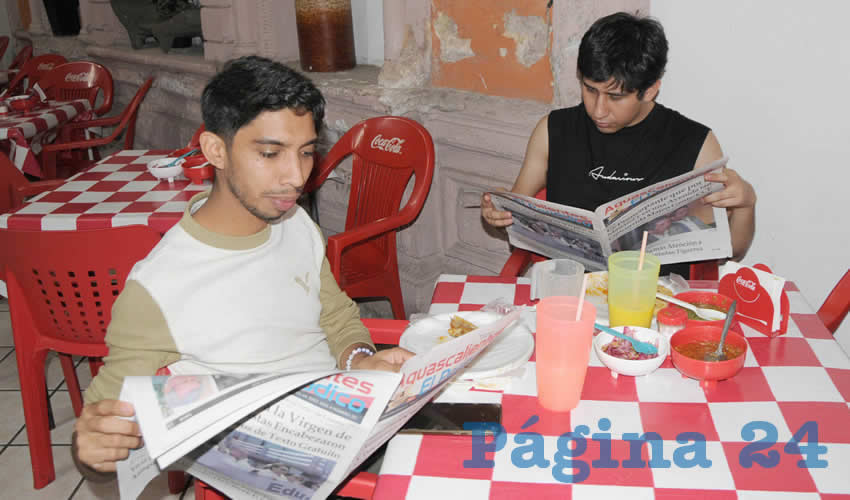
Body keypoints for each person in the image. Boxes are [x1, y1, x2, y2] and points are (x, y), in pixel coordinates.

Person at [72, 56, 413, 477]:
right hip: (284, 465)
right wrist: (91, 450)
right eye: (270, 153)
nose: (295, 177)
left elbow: (337, 316)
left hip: (347, 415)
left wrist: (360, 360)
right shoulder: (158, 289)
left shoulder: (294, 222)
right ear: (215, 149)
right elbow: (104, 431)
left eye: (306, 153)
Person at [481, 12, 756, 277]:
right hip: (567, 294)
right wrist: (497, 215)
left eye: (615, 97)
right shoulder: (553, 130)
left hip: (653, 302)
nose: (598, 110)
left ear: (650, 90)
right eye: (590, 90)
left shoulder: (695, 143)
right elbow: (511, 217)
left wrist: (746, 204)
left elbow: (733, 251)